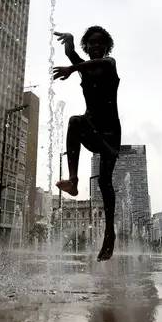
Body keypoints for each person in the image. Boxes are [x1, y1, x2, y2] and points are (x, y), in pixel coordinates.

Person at [52, 26, 120, 261]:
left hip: (110, 134)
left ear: (106, 46)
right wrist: (70, 41)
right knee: (74, 122)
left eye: (100, 43)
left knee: (104, 181)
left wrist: (73, 68)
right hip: (91, 127)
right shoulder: (85, 68)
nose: (96, 46)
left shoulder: (109, 64)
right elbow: (73, 55)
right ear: (87, 46)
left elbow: (86, 64)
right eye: (91, 43)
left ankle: (109, 233)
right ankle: (73, 181)